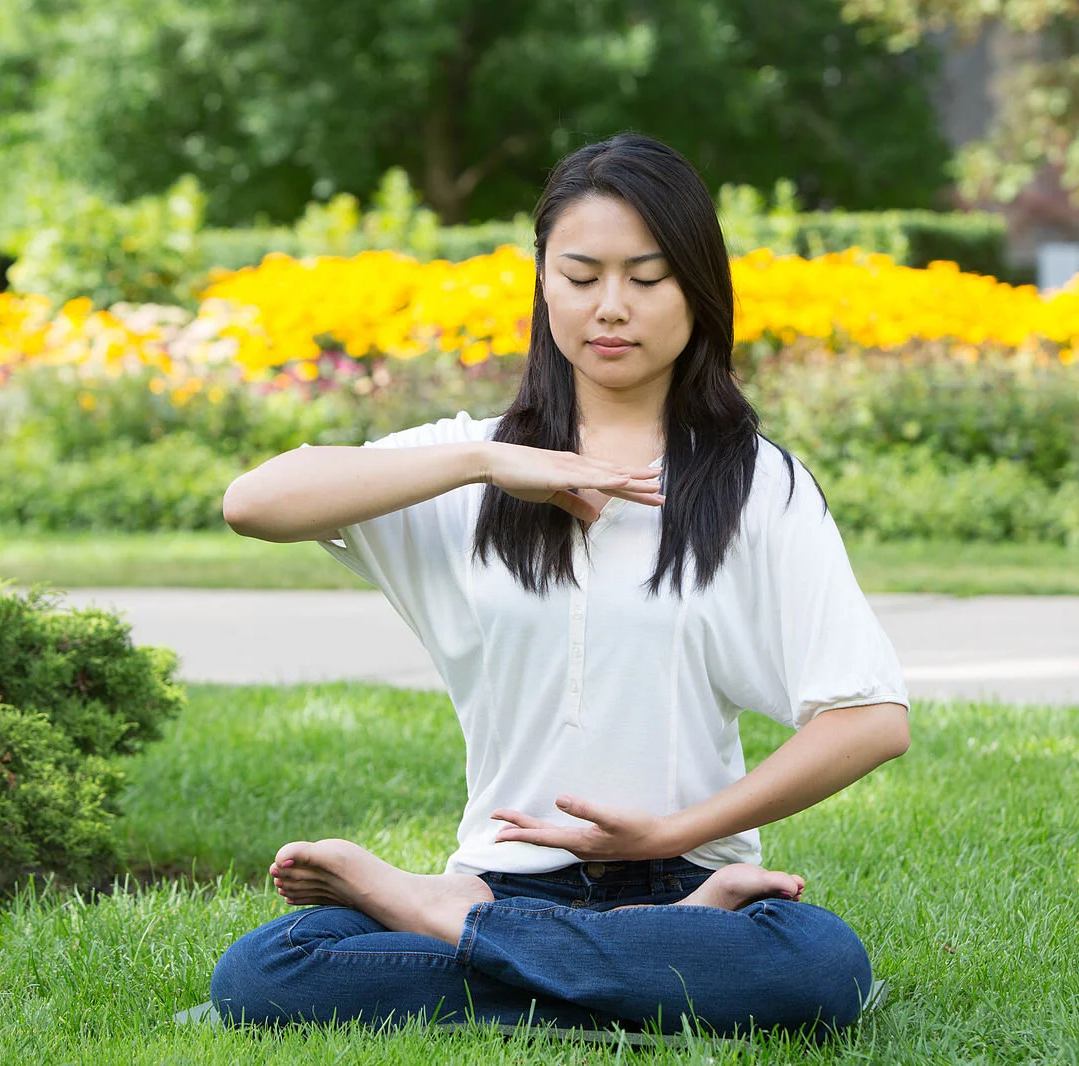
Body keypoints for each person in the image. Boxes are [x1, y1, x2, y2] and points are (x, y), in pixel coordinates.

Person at [210, 132, 911, 1041]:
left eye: (646, 278)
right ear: (543, 284)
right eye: (581, 277)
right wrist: (485, 460)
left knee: (819, 966)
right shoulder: (469, 465)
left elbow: (870, 717)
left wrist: (666, 835)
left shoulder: (756, 484)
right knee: (266, 972)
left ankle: (439, 922)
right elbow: (252, 503)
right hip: (503, 872)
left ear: (698, 285)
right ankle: (585, 955)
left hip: (685, 883)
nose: (610, 308)